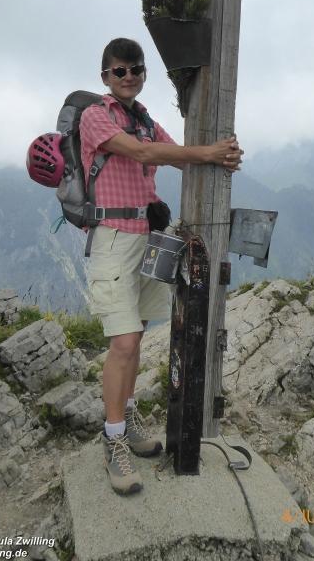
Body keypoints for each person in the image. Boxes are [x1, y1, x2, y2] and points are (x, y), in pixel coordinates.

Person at [80, 37, 243, 495]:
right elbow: (145, 154)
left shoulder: (145, 119)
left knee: (136, 336)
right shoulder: (95, 117)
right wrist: (208, 154)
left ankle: (128, 418)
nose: (128, 76)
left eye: (135, 69)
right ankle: (113, 440)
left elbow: (176, 155)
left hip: (147, 239)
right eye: (119, 70)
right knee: (123, 343)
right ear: (105, 76)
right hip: (113, 239)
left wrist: (222, 158)